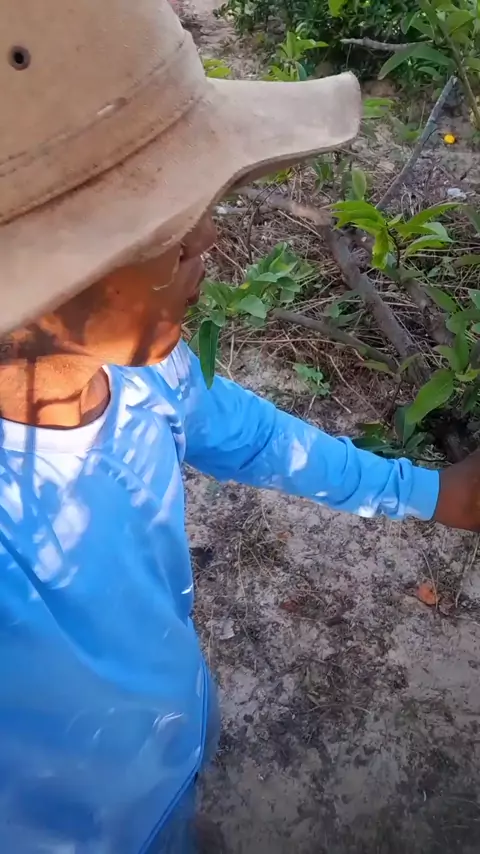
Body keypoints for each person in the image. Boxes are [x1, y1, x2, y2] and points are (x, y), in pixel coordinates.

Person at [0, 1, 478, 852]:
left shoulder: (148, 375)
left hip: (171, 735)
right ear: (44, 285)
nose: (211, 235)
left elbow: (255, 439)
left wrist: (427, 492)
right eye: (172, 223)